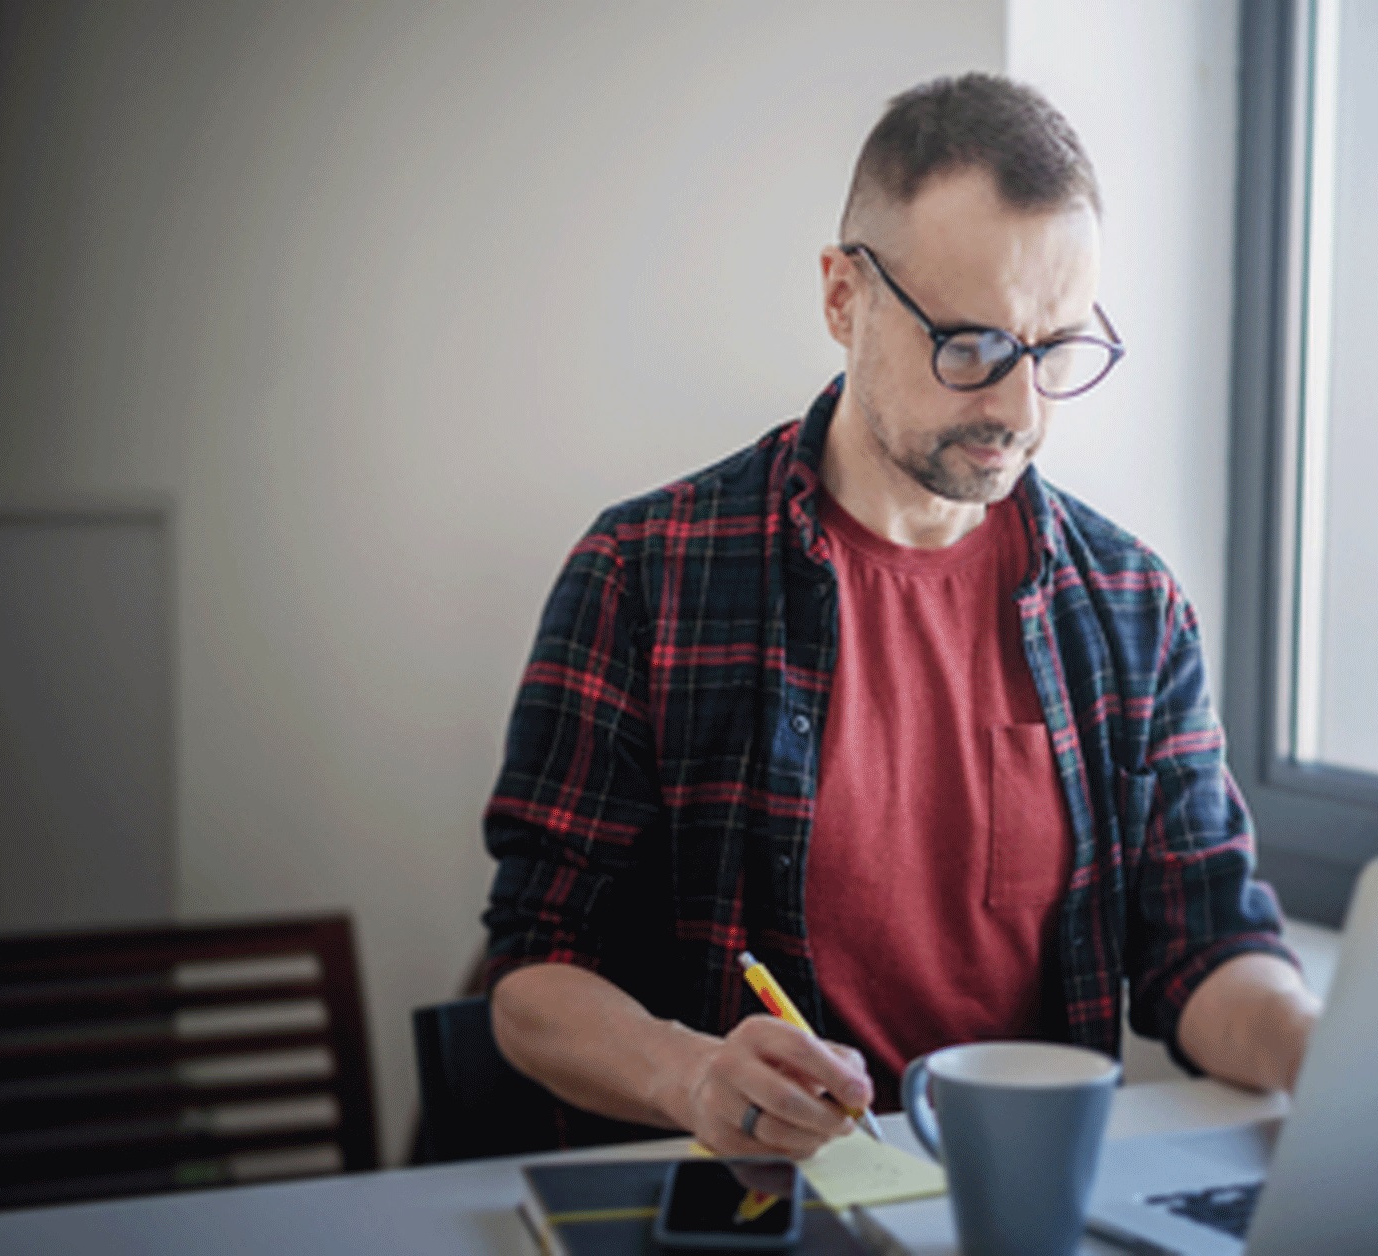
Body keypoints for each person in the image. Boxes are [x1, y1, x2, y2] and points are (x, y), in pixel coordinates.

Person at [481, 72, 1320, 1162]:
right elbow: (532, 972)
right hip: (755, 1201)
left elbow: (1202, 943)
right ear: (842, 297)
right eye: (969, 346)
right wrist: (689, 1072)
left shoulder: (1130, 606)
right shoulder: (644, 577)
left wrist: (1323, 1049)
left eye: (1056, 349)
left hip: (1016, 1203)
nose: (1018, 411)